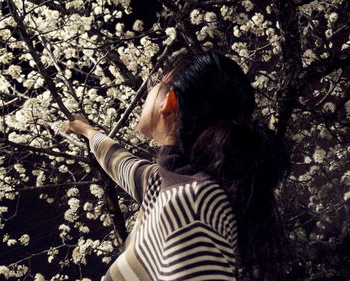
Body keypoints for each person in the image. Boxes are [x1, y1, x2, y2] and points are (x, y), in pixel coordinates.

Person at [67, 50, 290, 281]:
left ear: (169, 101)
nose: (149, 90)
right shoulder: (163, 183)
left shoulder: (196, 202)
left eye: (157, 83)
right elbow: (120, 162)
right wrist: (86, 131)